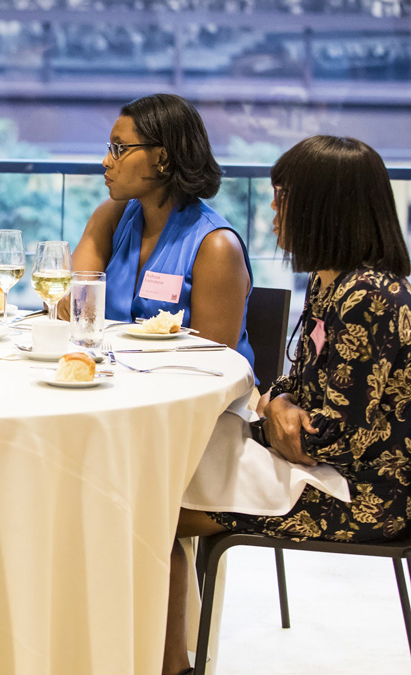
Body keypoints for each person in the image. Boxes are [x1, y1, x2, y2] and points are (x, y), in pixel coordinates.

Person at [163, 135, 411, 675]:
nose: (274, 208)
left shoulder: (370, 297)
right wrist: (279, 405)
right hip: (320, 468)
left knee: (153, 513)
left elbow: (332, 438)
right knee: (158, 483)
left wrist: (279, 409)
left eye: (284, 195)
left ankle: (170, 668)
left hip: (362, 492)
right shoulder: (332, 284)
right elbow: (289, 386)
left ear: (325, 204)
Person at [70, 94, 254, 364]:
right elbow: (71, 307)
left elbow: (213, 364)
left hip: (201, 395)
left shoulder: (216, 246)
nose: (106, 161)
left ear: (162, 158)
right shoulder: (112, 214)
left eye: (119, 149)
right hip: (119, 381)